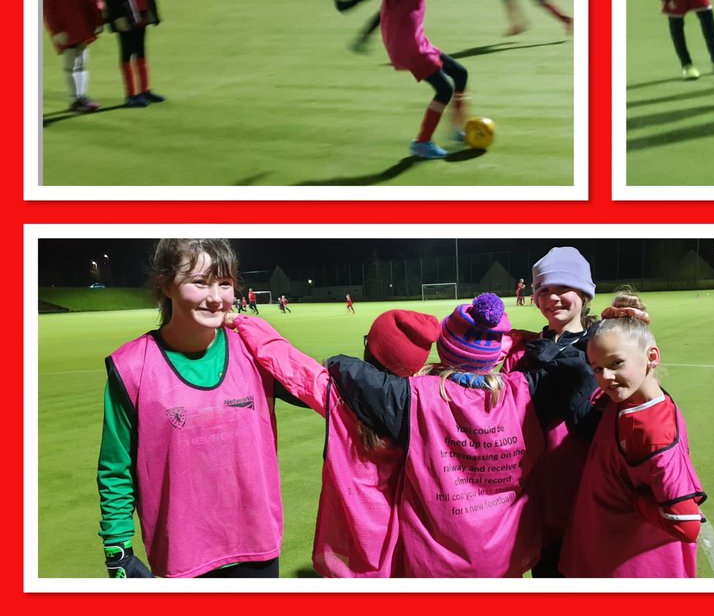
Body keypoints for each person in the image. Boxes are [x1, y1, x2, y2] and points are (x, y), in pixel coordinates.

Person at [325, 293, 594, 578]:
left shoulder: (416, 396)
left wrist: (336, 362)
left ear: (445, 349)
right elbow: (579, 367)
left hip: (436, 565)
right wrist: (541, 343)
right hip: (505, 557)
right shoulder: (524, 390)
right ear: (494, 354)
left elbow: (357, 376)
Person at [98, 238, 283, 578]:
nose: (216, 298)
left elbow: (322, 391)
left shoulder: (255, 351)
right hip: (184, 558)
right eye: (200, 282)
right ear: (166, 285)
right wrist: (117, 551)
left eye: (224, 283)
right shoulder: (132, 366)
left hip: (257, 548)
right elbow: (115, 467)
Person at [227, 306, 439, 576]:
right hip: (405, 542)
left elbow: (285, 359)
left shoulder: (336, 396)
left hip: (350, 539)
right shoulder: (429, 404)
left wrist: (243, 322)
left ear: (371, 351)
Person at [560, 291, 706, 578]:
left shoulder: (652, 429)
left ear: (652, 357)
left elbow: (686, 523)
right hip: (603, 553)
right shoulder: (626, 399)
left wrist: (638, 501)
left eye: (616, 363)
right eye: (597, 369)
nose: (605, 377)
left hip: (629, 568)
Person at [333, 0, 471, 160]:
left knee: (460, 73)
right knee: (444, 89)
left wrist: (365, 35)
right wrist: (351, 2)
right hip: (410, 49)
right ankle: (422, 143)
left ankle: (456, 129)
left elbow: (384, 14)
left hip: (419, 43)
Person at [506, 247, 599, 578]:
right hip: (535, 504)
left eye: (563, 288)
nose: (552, 298)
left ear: (584, 294)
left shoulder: (603, 349)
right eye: (544, 290)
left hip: (585, 498)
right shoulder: (524, 352)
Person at [42, 0, 104, 113]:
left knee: (82, 60)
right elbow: (48, 7)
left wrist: (98, 18)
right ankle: (74, 99)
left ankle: (81, 96)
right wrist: (56, 30)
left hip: (82, 24)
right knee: (71, 63)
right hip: (67, 28)